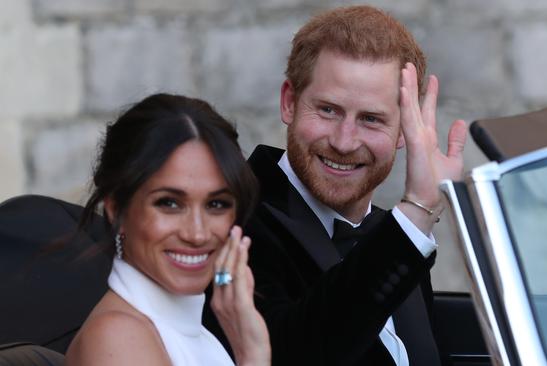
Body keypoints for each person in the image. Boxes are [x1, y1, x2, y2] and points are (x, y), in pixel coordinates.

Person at [203, 5, 468, 366]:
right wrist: (418, 210)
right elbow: (288, 354)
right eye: (328, 110)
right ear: (289, 102)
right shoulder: (230, 221)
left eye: (371, 119)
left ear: (405, 130)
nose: (344, 142)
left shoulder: (395, 236)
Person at [65, 94, 271, 366]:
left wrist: (251, 352)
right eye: (170, 203)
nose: (196, 234)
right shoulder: (118, 338)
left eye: (216, 204)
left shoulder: (192, 332)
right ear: (116, 209)